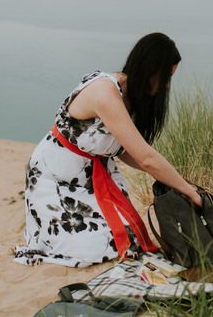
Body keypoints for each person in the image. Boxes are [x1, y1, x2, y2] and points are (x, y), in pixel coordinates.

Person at [14, 32, 201, 267]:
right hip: (56, 178)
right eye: (165, 77)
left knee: (129, 239)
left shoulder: (131, 95)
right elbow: (146, 158)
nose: (166, 85)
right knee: (98, 248)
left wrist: (174, 181)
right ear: (149, 69)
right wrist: (189, 191)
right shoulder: (105, 92)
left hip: (91, 180)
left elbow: (126, 151)